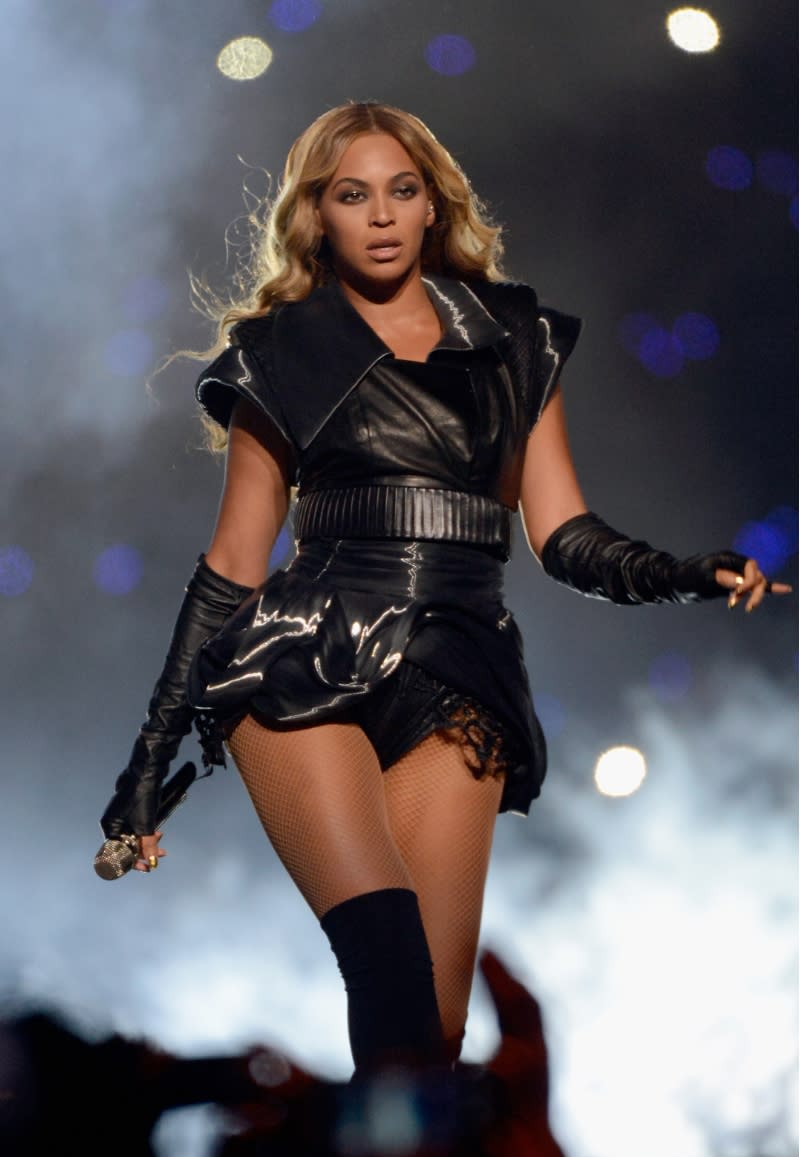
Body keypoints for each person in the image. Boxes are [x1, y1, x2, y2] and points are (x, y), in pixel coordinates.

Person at [97, 101, 790, 1085]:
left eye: (400, 190)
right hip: (299, 660)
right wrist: (145, 773)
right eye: (351, 195)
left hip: (457, 671)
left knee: (435, 1026)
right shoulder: (278, 354)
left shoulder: (516, 341)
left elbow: (562, 536)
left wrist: (683, 576)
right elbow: (231, 567)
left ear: (432, 206)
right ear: (316, 217)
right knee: (384, 960)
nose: (378, 215)